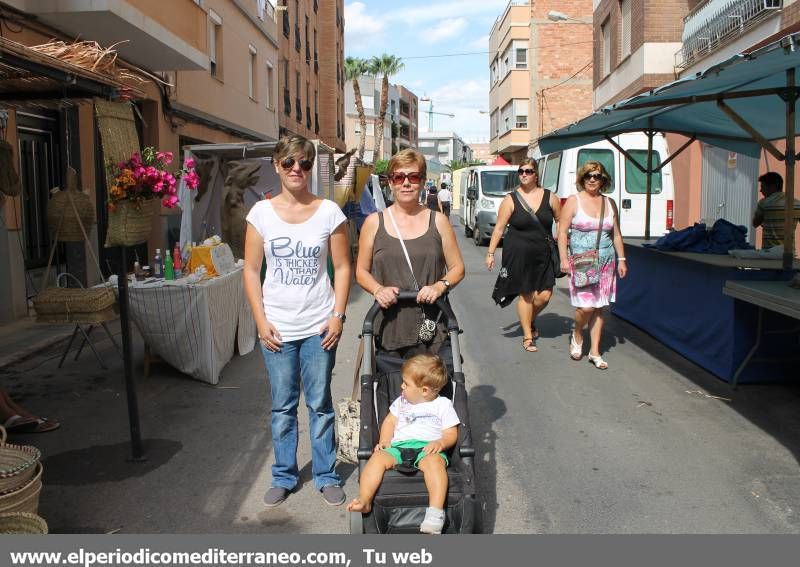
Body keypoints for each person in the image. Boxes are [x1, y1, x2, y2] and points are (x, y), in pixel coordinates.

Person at [243, 135, 352, 507]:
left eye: (304, 164)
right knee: (283, 406)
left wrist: (337, 316)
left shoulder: (328, 212)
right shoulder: (260, 213)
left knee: (320, 404)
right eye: (289, 162)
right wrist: (260, 321)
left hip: (318, 326)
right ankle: (285, 475)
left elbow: (342, 266)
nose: (296, 170)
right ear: (276, 165)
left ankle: (326, 475)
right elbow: (251, 270)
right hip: (276, 327)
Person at [356, 148, 465, 358]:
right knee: (392, 388)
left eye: (413, 177)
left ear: (423, 182)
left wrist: (439, 286)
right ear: (390, 182)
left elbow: (457, 268)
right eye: (399, 177)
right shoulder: (373, 223)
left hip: (432, 326)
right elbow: (361, 271)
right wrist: (378, 290)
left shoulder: (438, 221)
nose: (406, 183)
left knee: (436, 389)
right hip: (389, 327)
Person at [346, 354, 460, 534]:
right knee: (376, 459)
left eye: (406, 384)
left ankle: (435, 513)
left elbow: (451, 432)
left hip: (427, 448)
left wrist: (441, 442)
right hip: (398, 446)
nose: (401, 386)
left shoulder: (442, 405)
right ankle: (365, 500)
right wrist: (384, 440)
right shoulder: (401, 402)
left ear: (424, 390)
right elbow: (390, 422)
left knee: (434, 464)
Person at [486, 159, 561, 352]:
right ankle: (528, 335)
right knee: (526, 294)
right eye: (521, 172)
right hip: (518, 253)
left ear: (536, 174)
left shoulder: (550, 197)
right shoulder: (510, 199)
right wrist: (490, 253)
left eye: (528, 171)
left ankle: (528, 319)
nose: (524, 175)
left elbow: (561, 222)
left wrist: (563, 248)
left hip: (544, 253)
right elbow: (499, 229)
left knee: (544, 296)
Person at [557, 161, 627, 369]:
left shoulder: (609, 203)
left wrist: (622, 259)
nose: (592, 179)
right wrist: (563, 259)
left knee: (599, 308)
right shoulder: (573, 201)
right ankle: (577, 333)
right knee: (586, 306)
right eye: (588, 176)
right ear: (582, 178)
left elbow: (616, 234)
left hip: (606, 262)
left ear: (603, 180)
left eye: (597, 176)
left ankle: (595, 351)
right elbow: (561, 233)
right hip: (582, 262)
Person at [752, 172, 800, 248]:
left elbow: (755, 223)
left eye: (763, 187)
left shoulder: (763, 203)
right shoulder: (797, 204)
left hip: (769, 252)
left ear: (772, 187)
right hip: (789, 252)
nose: (760, 190)